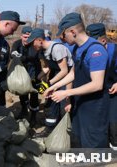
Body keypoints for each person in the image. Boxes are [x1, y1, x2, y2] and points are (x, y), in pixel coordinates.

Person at [44, 13, 109, 148]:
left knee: (92, 142)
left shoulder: (95, 50)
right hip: (80, 103)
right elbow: (73, 73)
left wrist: (67, 93)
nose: (62, 39)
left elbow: (97, 84)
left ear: (72, 32)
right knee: (79, 139)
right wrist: (54, 86)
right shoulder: (78, 49)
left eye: (63, 35)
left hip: (94, 106)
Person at [26, 28, 73, 137]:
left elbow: (64, 70)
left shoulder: (57, 48)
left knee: (63, 106)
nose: (32, 46)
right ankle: (49, 129)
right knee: (50, 104)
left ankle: (65, 133)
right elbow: (47, 68)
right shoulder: (42, 51)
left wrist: (49, 83)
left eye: (33, 43)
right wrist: (38, 78)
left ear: (39, 40)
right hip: (55, 75)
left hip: (66, 78)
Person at [86, 23, 117, 149]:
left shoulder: (114, 51)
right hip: (96, 91)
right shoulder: (89, 51)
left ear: (103, 40)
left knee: (113, 121)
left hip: (113, 90)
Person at [10, 26, 41, 127]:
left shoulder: (34, 45)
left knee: (34, 94)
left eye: (29, 36)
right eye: (25, 36)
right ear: (21, 35)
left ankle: (33, 116)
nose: (27, 39)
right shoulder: (17, 43)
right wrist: (14, 54)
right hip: (21, 72)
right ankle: (24, 110)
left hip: (34, 72)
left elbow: (32, 57)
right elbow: (12, 52)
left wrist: (21, 57)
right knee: (22, 92)